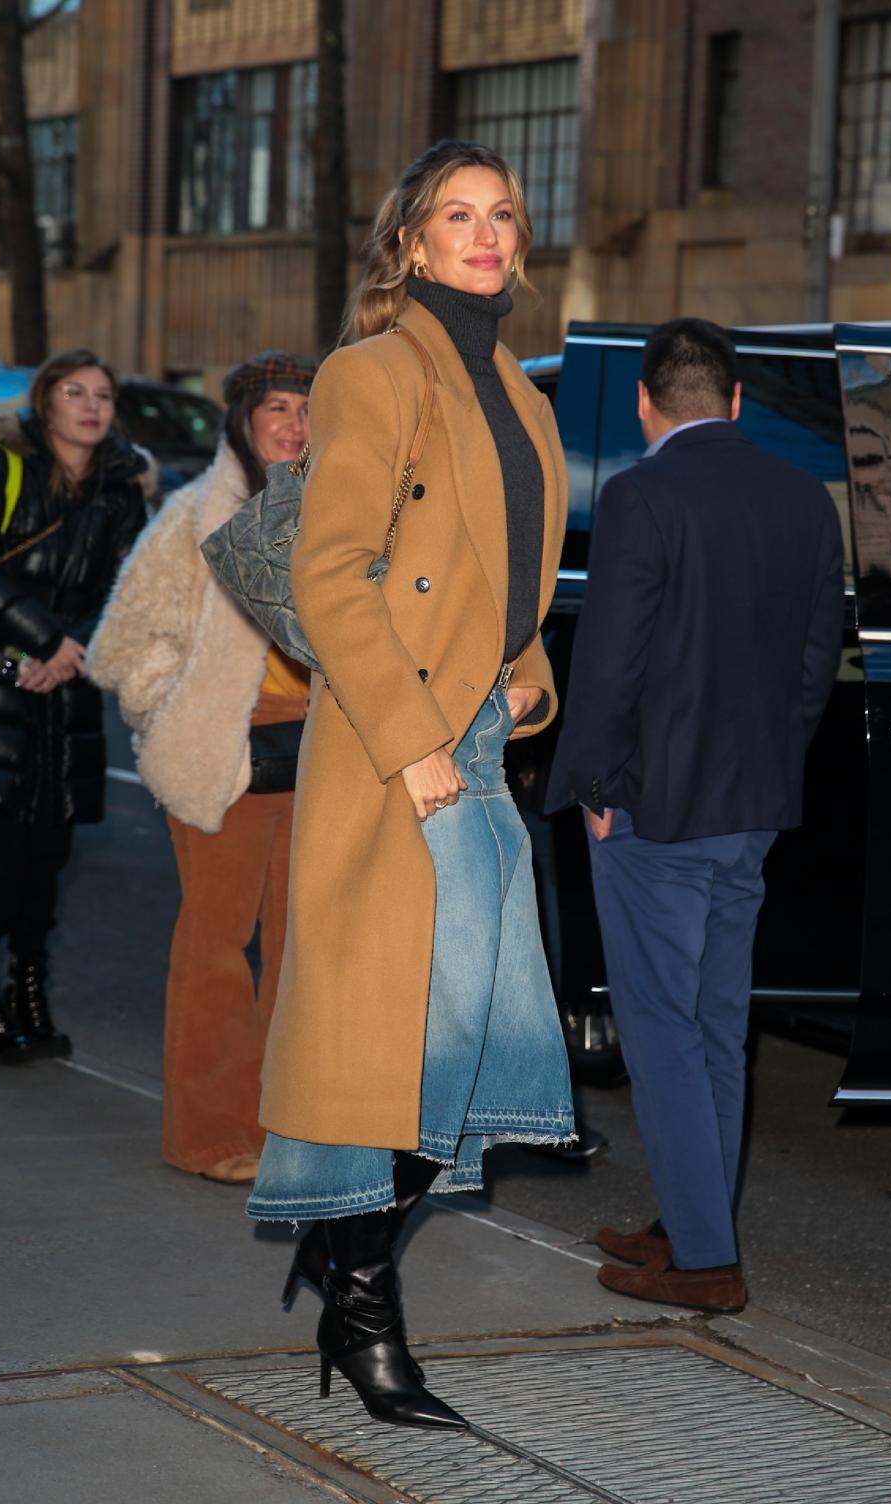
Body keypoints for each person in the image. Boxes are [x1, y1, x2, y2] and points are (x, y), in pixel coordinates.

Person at [249, 139, 574, 1430]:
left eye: (502, 214)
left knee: (470, 1051)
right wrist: (417, 741)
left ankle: (343, 1260)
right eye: (459, 215)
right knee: (409, 1052)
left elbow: (494, 557)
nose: (486, 235)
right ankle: (365, 1309)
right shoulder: (372, 373)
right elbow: (335, 573)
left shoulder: (521, 392)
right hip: (403, 750)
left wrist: (531, 660)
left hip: (482, 730)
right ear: (412, 244)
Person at [546, 317, 844, 1314]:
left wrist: (591, 783)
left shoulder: (641, 495)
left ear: (644, 403)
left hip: (654, 812)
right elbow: (815, 665)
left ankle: (708, 1258)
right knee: (718, 1026)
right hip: (750, 806)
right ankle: (690, 1217)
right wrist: (765, 765)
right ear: (737, 399)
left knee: (664, 1029)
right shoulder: (804, 498)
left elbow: (612, 658)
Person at [88, 353, 314, 1184]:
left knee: (307, 950)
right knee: (219, 944)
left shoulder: (343, 513)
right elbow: (123, 644)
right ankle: (212, 1133)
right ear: (242, 424)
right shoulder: (193, 516)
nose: (292, 424)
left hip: (326, 753)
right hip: (228, 745)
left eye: (304, 408)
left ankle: (292, 1130)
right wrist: (176, 709)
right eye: (275, 409)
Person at [0, 349, 155, 1065]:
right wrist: (43, 637)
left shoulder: (122, 494)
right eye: (74, 392)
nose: (91, 406)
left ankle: (29, 990)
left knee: (46, 857)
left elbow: (127, 588)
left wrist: (68, 652)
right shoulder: (2, 469)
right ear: (46, 404)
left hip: (65, 694)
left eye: (105, 396)